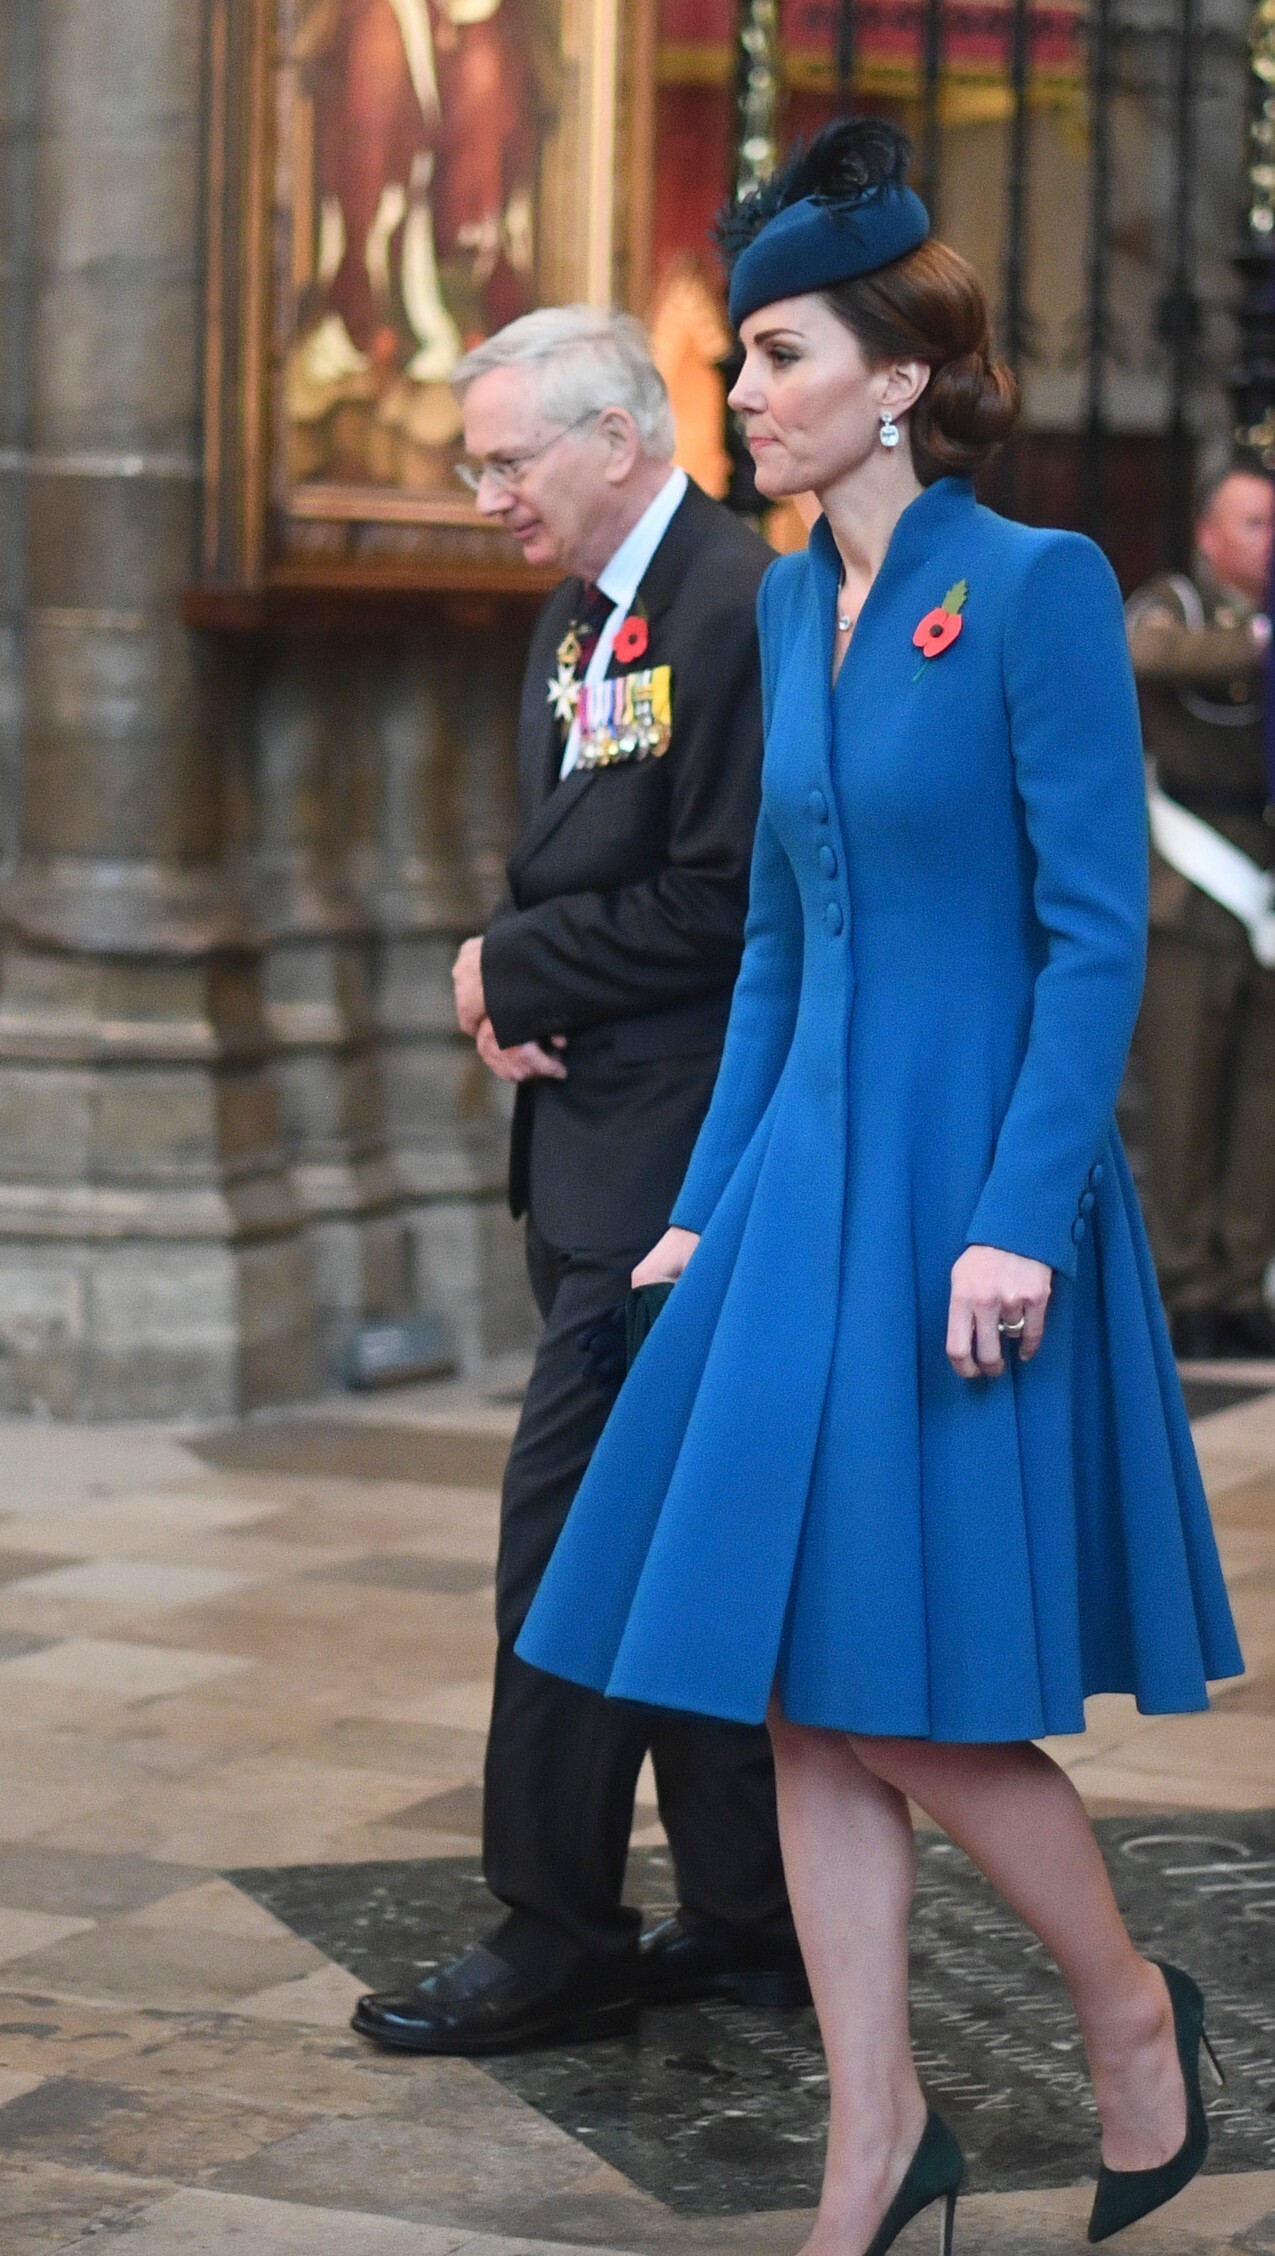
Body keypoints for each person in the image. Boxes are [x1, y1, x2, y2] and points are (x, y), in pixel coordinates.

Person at [512, 123, 1243, 2256]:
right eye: (742, 357)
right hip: (801, 1196)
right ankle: (877, 2135)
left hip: (960, 1196)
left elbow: (1093, 936)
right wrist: (705, 1210)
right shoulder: (790, 609)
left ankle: (1130, 2016)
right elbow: (777, 949)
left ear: (897, 377)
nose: (742, 391)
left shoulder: (1029, 589)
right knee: (797, 1692)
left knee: (905, 1692)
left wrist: (1020, 1219)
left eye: (779, 356)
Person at [352, 307, 806, 2059]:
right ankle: (747, 1917)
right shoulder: (577, 614)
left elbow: (730, 899)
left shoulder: (736, 605)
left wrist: (510, 968)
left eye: (504, 462)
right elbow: (571, 858)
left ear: (616, 437)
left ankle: (553, 1932)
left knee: (565, 1553)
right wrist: (515, 984)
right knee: (673, 1544)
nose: (485, 497)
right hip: (588, 1143)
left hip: (676, 1170)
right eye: (475, 466)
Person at [1127, 470, 1275, 1361]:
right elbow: (1143, 656)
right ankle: (1186, 1286)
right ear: (1208, 535)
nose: (1272, 538)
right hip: (1192, 886)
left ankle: (1243, 1285)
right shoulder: (1175, 603)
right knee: (1180, 1103)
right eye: (1253, 522)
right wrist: (1260, 642)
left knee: (1266, 1101)